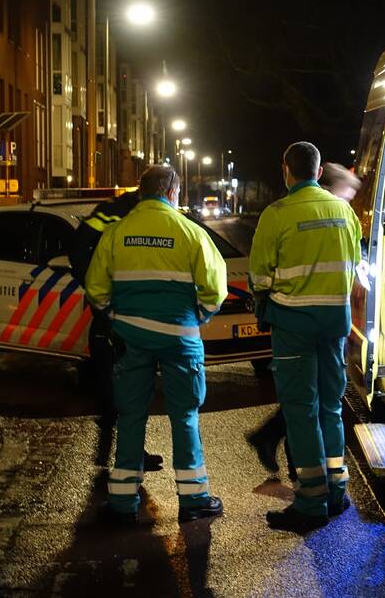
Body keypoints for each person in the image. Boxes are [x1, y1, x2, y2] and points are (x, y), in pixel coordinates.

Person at [85, 165, 228, 524]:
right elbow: (216, 290)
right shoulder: (190, 232)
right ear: (173, 193)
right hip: (180, 339)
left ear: (141, 192)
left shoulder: (117, 234)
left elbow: (96, 289)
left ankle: (122, 503)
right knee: (185, 416)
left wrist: (116, 317)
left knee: (131, 416)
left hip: (131, 337)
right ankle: (194, 501)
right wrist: (198, 317)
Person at [249, 143, 363, 531]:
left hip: (294, 323)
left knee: (301, 410)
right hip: (335, 321)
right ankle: (336, 492)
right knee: (331, 405)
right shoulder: (344, 210)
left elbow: (260, 277)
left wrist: (266, 307)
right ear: (317, 170)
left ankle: (311, 502)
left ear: (287, 170)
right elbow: (355, 261)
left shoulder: (277, 214)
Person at [69, 189, 164, 473]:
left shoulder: (112, 210)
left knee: (115, 376)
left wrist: (93, 284)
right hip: (125, 308)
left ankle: (115, 449)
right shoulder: (134, 213)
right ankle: (120, 451)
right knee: (129, 377)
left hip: (110, 305)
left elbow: (78, 248)